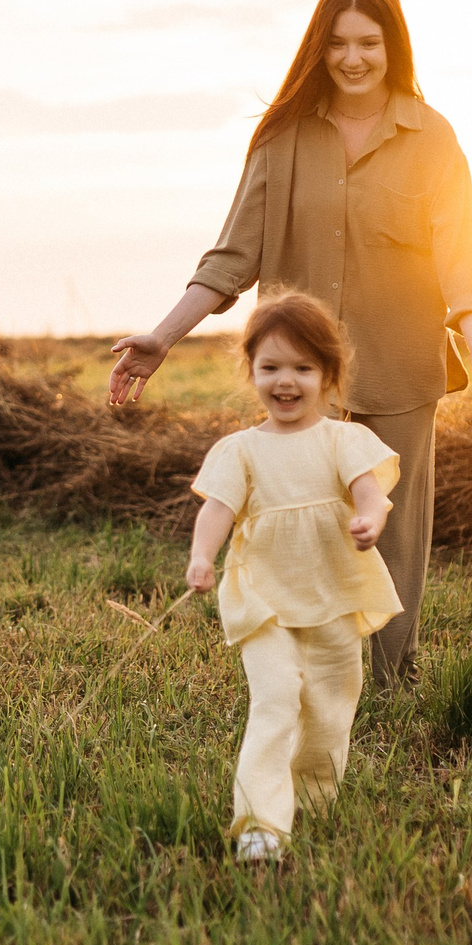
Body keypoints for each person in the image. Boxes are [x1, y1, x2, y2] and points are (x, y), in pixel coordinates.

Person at [110, 0, 472, 688]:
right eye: (338, 44)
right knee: (297, 522)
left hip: (400, 365)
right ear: (318, 48)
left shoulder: (432, 137)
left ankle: (390, 680)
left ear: (393, 47)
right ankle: (304, 672)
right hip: (300, 374)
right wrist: (163, 336)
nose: (353, 59)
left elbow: (461, 263)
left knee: (390, 531)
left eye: (369, 43)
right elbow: (233, 255)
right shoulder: (282, 136)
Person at [186, 292, 401, 863]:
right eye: (271, 367)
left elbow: (369, 491)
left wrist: (371, 519)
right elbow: (217, 509)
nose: (286, 381)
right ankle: (260, 823)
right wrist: (203, 555)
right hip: (265, 601)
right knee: (276, 699)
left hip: (333, 592)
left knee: (330, 709)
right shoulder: (240, 450)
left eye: (303, 368)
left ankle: (312, 798)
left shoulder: (343, 440)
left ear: (328, 375)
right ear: (251, 370)